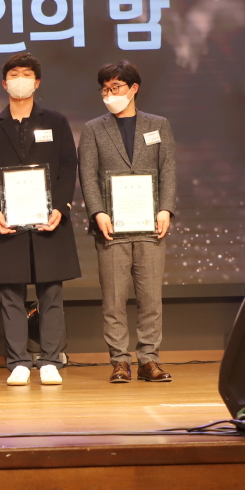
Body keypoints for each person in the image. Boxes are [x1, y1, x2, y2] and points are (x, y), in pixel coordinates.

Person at [0, 53, 81, 386]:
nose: (21, 80)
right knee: (11, 294)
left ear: (37, 82)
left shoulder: (56, 122)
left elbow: (68, 167)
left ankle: (50, 360)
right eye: (15, 74)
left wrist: (60, 207)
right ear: (5, 84)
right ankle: (17, 360)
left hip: (50, 220)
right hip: (8, 222)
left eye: (27, 74)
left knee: (52, 293)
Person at [78, 60, 176, 383]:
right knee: (114, 299)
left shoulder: (158, 125)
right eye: (105, 89)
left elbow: (168, 170)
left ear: (134, 89)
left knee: (150, 298)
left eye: (115, 87)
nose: (109, 94)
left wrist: (165, 209)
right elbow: (87, 175)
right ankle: (119, 361)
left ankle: (149, 360)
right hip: (111, 227)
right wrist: (97, 212)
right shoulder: (93, 129)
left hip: (150, 225)